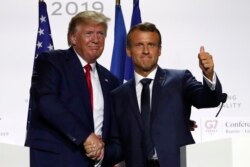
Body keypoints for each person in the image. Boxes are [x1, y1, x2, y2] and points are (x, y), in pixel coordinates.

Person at [104, 22, 224, 167]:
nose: (146, 51)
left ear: (159, 50)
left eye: (151, 45)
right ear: (128, 50)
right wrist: (96, 153)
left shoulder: (180, 79)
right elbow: (117, 142)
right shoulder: (118, 95)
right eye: (139, 45)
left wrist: (208, 74)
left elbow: (208, 99)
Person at [25, 11, 120, 167]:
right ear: (73, 38)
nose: (96, 39)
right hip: (55, 161)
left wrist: (104, 154)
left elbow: (117, 135)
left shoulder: (111, 81)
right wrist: (85, 137)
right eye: (89, 33)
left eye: (101, 34)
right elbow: (47, 103)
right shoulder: (51, 62)